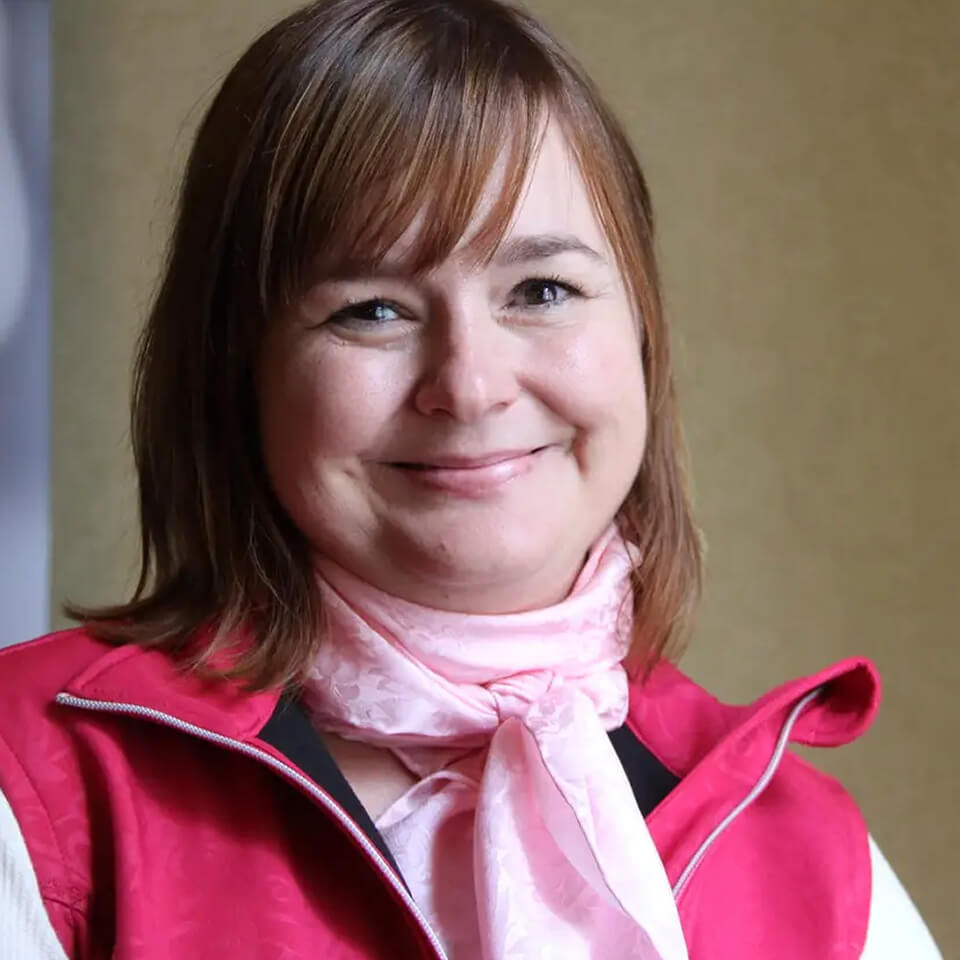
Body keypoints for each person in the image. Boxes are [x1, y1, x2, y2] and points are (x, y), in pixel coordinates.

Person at [0, 1, 943, 957]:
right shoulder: (32, 784)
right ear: (234, 370)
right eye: (371, 310)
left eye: (540, 291)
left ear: (644, 336)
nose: (471, 385)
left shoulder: (814, 859)